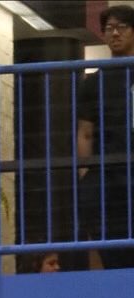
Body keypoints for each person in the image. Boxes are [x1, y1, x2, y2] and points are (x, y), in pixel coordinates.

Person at [76, 5, 134, 271]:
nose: (115, 33)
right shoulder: (94, 81)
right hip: (105, 171)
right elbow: (85, 131)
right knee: (106, 234)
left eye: (121, 27)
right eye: (109, 28)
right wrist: (83, 172)